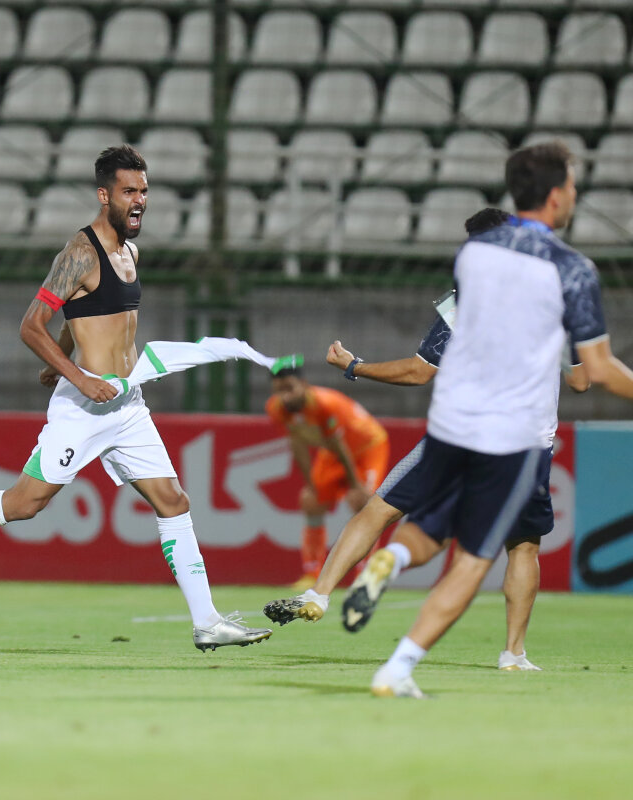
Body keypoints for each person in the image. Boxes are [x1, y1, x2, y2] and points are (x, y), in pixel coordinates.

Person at [0, 145, 273, 651]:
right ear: (104, 195)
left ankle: (207, 622)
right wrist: (75, 376)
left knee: (173, 500)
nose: (139, 200)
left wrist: (60, 355)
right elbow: (30, 325)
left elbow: (78, 317)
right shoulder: (80, 252)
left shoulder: (131, 254)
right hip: (83, 406)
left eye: (144, 191)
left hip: (127, 404)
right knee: (25, 503)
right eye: (128, 191)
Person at [321, 141, 633, 698]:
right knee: (479, 558)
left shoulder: (474, 258)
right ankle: (406, 667)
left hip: (451, 422)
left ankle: (392, 557)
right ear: (556, 195)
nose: (575, 194)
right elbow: (597, 373)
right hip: (514, 436)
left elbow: (447, 349)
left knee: (427, 528)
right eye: (572, 185)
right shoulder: (570, 270)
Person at [264, 208, 591, 673]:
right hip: (526, 444)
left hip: (461, 432)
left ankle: (322, 591)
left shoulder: (465, 299)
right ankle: (513, 653)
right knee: (522, 546)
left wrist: (355, 366)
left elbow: (419, 372)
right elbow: (580, 382)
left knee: (380, 511)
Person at [265, 355, 390, 591]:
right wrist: (311, 485)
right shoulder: (276, 408)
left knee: (365, 504)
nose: (285, 396)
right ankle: (312, 572)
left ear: (304, 385)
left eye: (290, 388)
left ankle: (365, 575)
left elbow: (339, 445)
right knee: (311, 501)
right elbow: (298, 444)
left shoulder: (324, 404)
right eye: (279, 390)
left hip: (367, 448)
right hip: (333, 452)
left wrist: (355, 485)